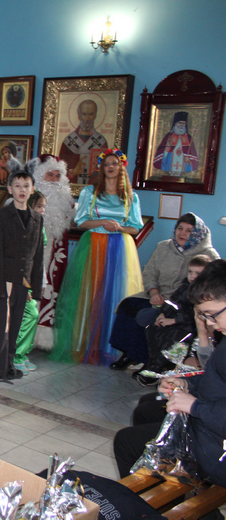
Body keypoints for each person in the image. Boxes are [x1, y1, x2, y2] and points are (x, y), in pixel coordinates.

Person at [113, 259, 226, 487]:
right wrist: (186, 385)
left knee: (126, 442)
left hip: (216, 452)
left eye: (212, 314)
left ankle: (163, 499)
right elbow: (218, 379)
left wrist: (194, 406)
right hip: (210, 430)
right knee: (145, 415)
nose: (211, 324)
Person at [50, 149, 143, 366]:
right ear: (101, 168)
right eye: (107, 164)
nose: (110, 167)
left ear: (121, 167)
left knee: (114, 295)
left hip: (120, 247)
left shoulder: (131, 196)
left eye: (114, 163)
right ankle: (84, 344)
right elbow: (81, 221)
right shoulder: (90, 192)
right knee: (89, 294)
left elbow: (135, 228)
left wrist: (119, 227)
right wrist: (102, 223)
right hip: (94, 245)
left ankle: (109, 347)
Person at [109, 213, 219, 370]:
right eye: (180, 228)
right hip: (157, 294)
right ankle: (129, 353)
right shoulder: (163, 246)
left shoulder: (209, 255)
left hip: (182, 302)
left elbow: (210, 286)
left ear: (197, 234)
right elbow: (149, 271)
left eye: (189, 230)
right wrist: (154, 292)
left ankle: (150, 361)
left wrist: (170, 302)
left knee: (156, 318)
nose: (182, 233)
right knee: (128, 306)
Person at [0, 169, 44, 384]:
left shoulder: (37, 218)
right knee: (1, 325)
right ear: (9, 189)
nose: (22, 190)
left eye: (26, 186)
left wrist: (35, 286)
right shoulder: (2, 216)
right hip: (5, 278)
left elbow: (38, 254)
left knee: (15, 324)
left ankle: (8, 364)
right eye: (17, 186)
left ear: (32, 189)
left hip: (23, 279)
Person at [133, 254, 212, 386]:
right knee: (152, 330)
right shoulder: (184, 286)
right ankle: (152, 364)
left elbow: (194, 315)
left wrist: (174, 321)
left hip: (188, 327)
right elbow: (172, 302)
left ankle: (156, 369)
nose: (192, 276)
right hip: (173, 320)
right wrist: (162, 313)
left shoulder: (203, 293)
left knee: (173, 341)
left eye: (198, 273)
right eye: (190, 272)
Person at [28, 155, 75, 351]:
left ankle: (43, 336)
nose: (54, 180)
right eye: (50, 175)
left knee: (52, 290)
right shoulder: (27, 199)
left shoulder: (67, 202)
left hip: (56, 254)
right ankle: (24, 336)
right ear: (40, 176)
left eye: (58, 176)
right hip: (32, 254)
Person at [13, 191, 48, 374]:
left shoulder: (38, 225)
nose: (42, 210)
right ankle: (16, 354)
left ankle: (23, 352)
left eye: (44, 207)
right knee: (29, 315)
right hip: (23, 279)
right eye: (39, 206)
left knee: (31, 316)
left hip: (34, 277)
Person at [59, 100, 109, 184]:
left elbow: (104, 171)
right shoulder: (68, 141)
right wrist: (73, 172)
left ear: (95, 116)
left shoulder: (101, 142)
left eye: (91, 114)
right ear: (79, 116)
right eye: (84, 114)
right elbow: (60, 170)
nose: (87, 119)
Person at [152, 112, 198, 176]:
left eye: (183, 123)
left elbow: (193, 156)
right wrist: (167, 148)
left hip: (184, 167)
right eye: (179, 123)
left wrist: (189, 161)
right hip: (169, 165)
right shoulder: (169, 136)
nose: (181, 125)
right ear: (175, 124)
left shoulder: (189, 138)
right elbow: (160, 154)